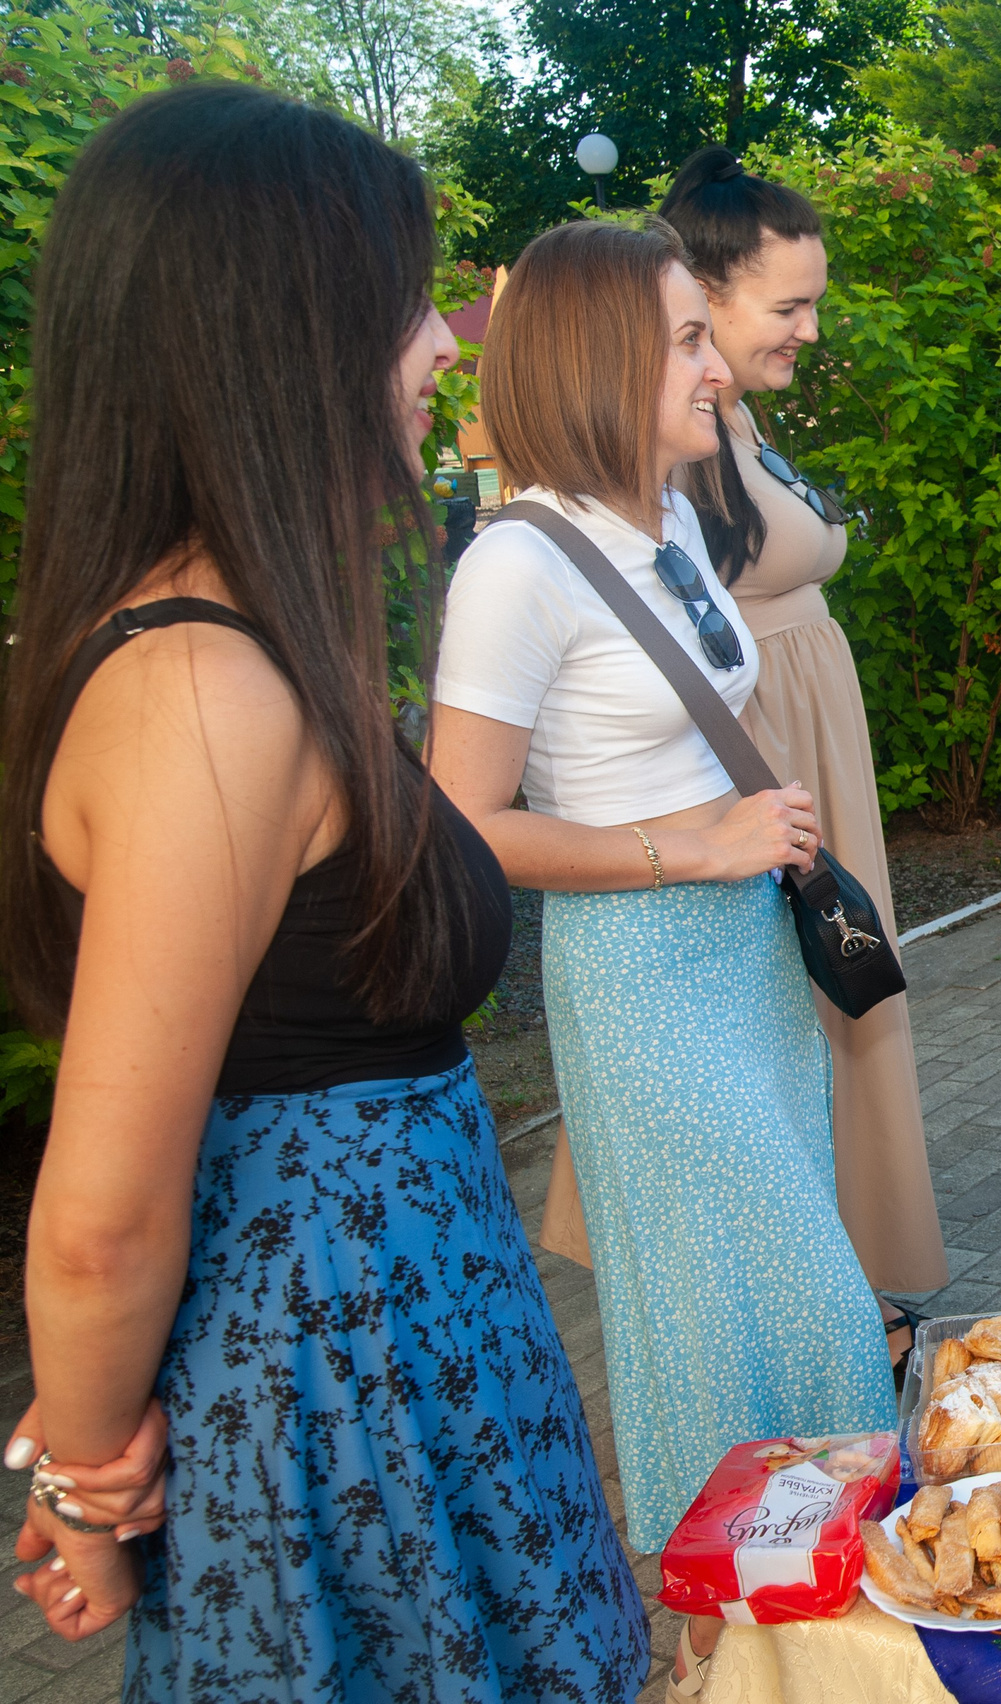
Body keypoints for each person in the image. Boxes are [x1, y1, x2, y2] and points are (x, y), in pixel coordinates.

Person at [0, 84, 650, 1694]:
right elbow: (97, 1219)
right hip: (330, 1403)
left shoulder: (247, 653)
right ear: (277, 333)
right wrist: (85, 1485)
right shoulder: (201, 693)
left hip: (396, 1359)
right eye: (408, 299)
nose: (443, 344)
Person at [427, 218, 897, 1693]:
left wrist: (750, 821)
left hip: (749, 962)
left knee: (779, 1304)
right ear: (602, 357)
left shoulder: (677, 518)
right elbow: (460, 827)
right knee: (771, 1307)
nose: (719, 367)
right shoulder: (515, 567)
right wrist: (688, 845)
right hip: (640, 983)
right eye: (690, 339)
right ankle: (727, 1647)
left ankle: (816, 1640)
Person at [655, 147, 952, 1315]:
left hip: (814, 739)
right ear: (703, 295)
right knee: (807, 1006)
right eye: (788, 306)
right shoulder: (672, 448)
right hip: (766, 750)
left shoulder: (735, 428)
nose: (810, 332)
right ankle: (823, 1295)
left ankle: (852, 1278)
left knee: (846, 1003)